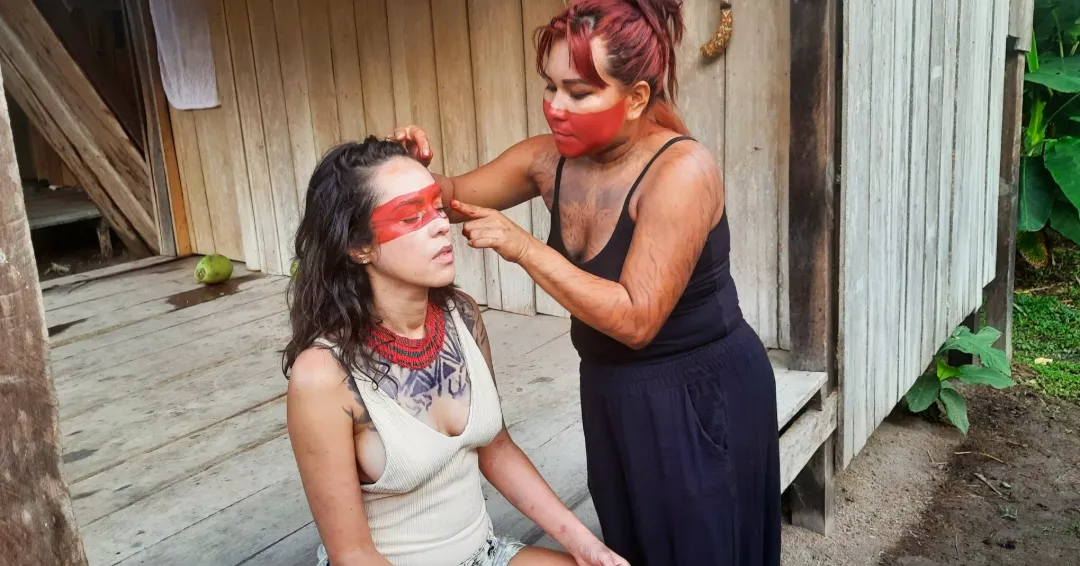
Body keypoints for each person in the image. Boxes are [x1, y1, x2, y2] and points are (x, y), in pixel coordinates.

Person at [389, 0, 782, 564]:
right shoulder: (548, 161)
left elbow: (636, 320)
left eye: (578, 93)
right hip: (612, 393)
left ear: (636, 98)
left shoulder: (681, 171)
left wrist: (524, 247)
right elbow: (450, 197)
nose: (556, 107)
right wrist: (408, 168)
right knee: (631, 545)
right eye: (550, 88)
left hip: (698, 396)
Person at [282, 137, 630, 566]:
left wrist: (587, 545)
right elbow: (352, 553)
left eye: (437, 207)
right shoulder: (322, 375)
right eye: (411, 216)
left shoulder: (460, 315)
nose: (439, 226)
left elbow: (497, 449)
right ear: (359, 246)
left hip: (485, 554)